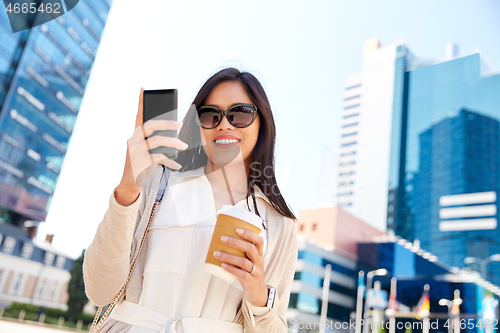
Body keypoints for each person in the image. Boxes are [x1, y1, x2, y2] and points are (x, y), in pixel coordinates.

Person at [83, 67, 298, 333]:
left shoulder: (279, 224)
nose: (224, 124)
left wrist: (258, 296)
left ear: (262, 123)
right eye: (210, 114)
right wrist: (127, 189)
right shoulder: (156, 184)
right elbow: (99, 291)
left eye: (240, 114)